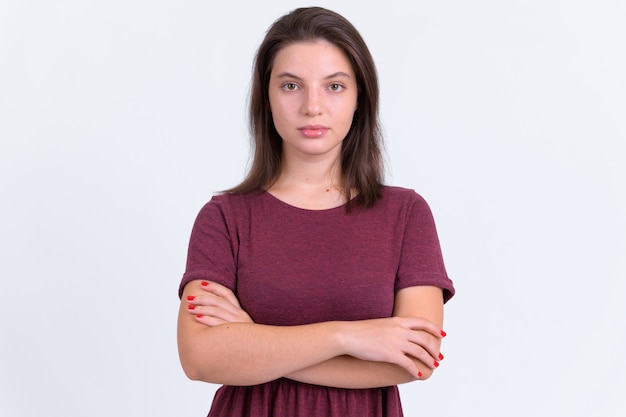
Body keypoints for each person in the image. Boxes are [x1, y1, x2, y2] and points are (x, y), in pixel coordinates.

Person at [177, 6, 455, 417]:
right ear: (266, 96)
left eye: (334, 86)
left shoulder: (405, 214)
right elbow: (200, 358)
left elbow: (415, 359)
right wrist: (347, 338)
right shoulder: (223, 218)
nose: (312, 106)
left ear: (360, 96)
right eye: (291, 85)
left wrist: (255, 341)